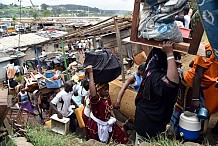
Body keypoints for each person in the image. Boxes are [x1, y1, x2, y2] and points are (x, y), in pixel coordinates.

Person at [134, 42, 180, 145]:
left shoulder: (153, 65)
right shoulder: (155, 75)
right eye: (176, 56)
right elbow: (172, 82)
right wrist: (170, 54)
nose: (177, 59)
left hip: (151, 120)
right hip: (148, 125)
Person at [170, 43, 218, 135]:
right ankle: (175, 133)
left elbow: (192, 63)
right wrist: (195, 98)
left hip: (200, 87)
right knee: (185, 110)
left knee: (196, 111)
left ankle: (191, 133)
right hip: (191, 85)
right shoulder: (212, 48)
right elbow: (198, 74)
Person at [85, 65, 128, 144]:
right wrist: (91, 74)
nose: (107, 91)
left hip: (108, 122)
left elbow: (110, 109)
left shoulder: (107, 97)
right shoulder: (96, 99)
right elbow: (93, 94)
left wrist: (117, 121)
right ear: (99, 90)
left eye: (108, 89)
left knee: (121, 134)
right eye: (105, 90)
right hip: (97, 125)